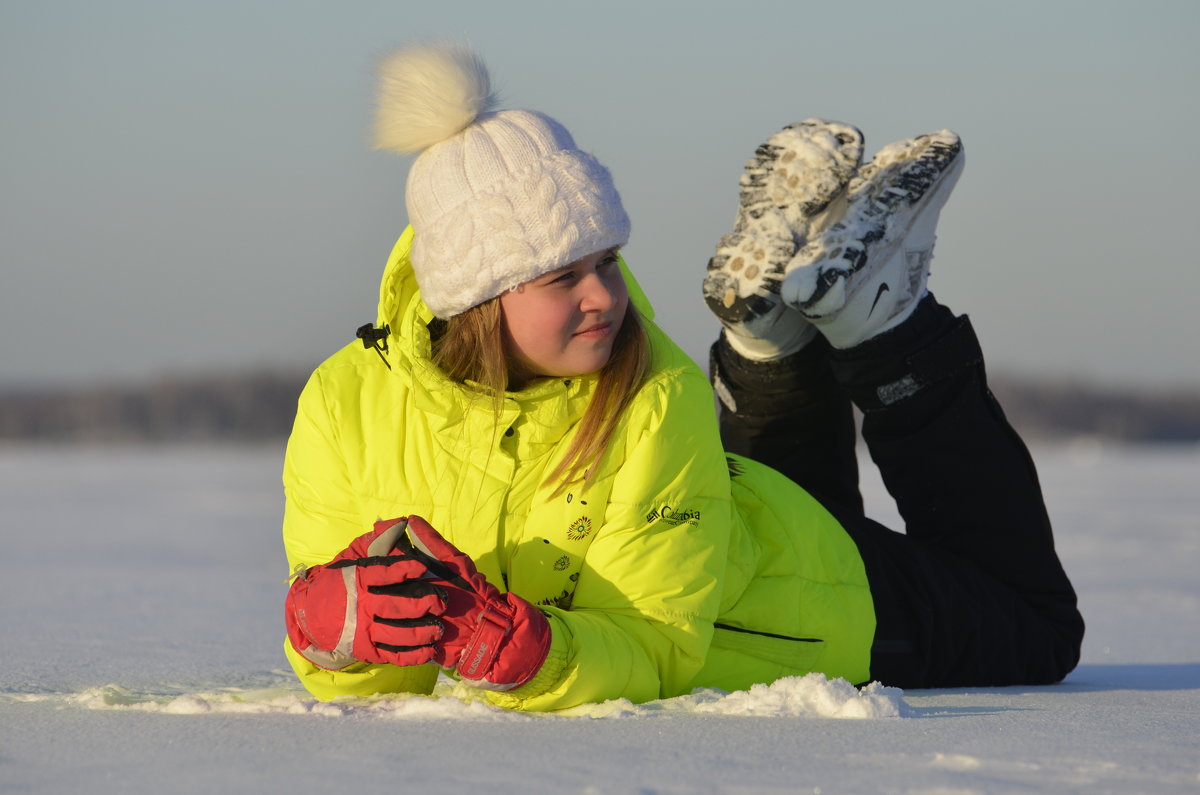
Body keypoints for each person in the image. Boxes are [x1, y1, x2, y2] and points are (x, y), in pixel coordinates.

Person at [281, 43, 1084, 710]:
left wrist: (528, 652)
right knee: (801, 513)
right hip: (750, 534)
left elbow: (659, 645)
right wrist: (330, 634)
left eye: (607, 262)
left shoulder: (650, 389)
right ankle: (768, 335)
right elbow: (385, 680)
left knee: (1039, 626)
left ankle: (881, 323)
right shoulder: (342, 403)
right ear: (478, 299)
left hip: (825, 609)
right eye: (564, 278)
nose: (606, 297)